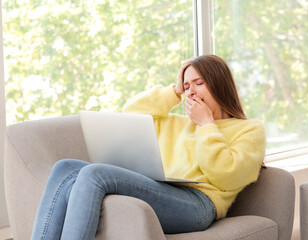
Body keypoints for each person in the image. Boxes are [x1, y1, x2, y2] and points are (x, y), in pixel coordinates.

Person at [31, 54, 266, 240]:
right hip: (164, 189)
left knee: (95, 173)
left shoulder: (250, 129)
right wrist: (174, 92)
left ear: (219, 83)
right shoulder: (179, 123)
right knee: (65, 167)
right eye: (186, 86)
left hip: (199, 205)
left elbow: (227, 175)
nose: (191, 91)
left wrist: (206, 124)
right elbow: (130, 113)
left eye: (199, 83)